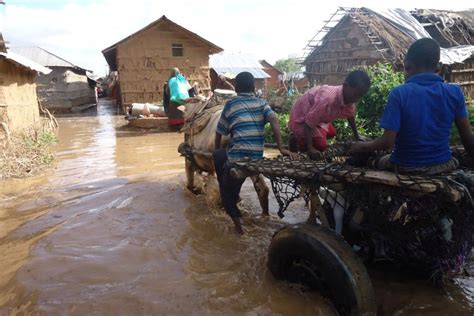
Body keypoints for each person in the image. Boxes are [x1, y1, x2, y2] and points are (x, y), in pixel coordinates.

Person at [348, 38, 474, 174]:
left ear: (407, 66)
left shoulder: (399, 93)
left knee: (376, 161)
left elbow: (387, 142)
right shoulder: (454, 92)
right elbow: (468, 141)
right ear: (438, 67)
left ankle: (370, 163)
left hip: (406, 166)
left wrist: (363, 146)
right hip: (444, 164)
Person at [213, 72, 297, 235]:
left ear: (236, 88)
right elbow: (273, 120)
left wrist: (217, 149)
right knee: (231, 176)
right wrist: (281, 148)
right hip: (257, 157)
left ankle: (238, 228)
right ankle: (240, 198)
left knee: (223, 177)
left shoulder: (231, 104)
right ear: (253, 88)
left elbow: (219, 130)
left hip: (237, 157)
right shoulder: (262, 103)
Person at [288, 70, 371, 159]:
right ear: (345, 86)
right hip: (302, 117)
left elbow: (350, 116)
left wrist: (357, 135)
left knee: (332, 132)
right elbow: (308, 122)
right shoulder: (327, 99)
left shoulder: (349, 98)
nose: (356, 99)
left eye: (360, 96)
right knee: (321, 146)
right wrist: (310, 148)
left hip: (317, 117)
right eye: (355, 94)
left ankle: (314, 138)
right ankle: (297, 140)